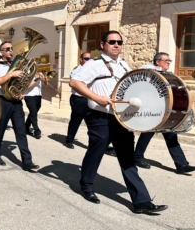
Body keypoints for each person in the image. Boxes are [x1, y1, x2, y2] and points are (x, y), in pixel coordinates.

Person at [70, 30, 167, 214]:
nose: (116, 45)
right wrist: (96, 97)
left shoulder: (124, 65)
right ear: (102, 45)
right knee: (97, 150)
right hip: (100, 116)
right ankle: (86, 185)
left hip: (121, 118)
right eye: (112, 41)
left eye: (119, 42)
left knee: (127, 157)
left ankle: (141, 201)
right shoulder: (94, 65)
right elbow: (75, 83)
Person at [135, 52, 195, 174]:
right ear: (158, 61)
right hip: (151, 110)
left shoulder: (166, 75)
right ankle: (137, 157)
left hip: (164, 110)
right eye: (167, 61)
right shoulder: (147, 71)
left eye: (169, 61)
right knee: (148, 134)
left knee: (170, 134)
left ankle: (181, 165)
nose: (169, 63)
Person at [0, 41, 39, 171]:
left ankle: (27, 161)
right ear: (2, 52)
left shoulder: (20, 66)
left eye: (12, 48)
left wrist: (22, 92)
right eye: (8, 49)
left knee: (21, 131)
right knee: (0, 129)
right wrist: (11, 74)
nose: (11, 50)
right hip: (2, 100)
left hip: (16, 102)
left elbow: (24, 83)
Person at [65, 52, 91, 148]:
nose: (89, 61)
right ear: (81, 60)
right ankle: (69, 140)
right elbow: (76, 83)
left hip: (89, 99)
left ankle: (94, 143)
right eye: (86, 59)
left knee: (92, 123)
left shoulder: (91, 70)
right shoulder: (76, 70)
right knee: (76, 121)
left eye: (90, 59)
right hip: (79, 99)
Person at [24, 72, 47, 139]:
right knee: (33, 113)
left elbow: (46, 84)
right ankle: (37, 131)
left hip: (38, 96)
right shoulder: (27, 74)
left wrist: (44, 77)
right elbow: (27, 86)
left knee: (33, 113)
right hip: (29, 96)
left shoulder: (38, 74)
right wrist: (37, 79)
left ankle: (26, 127)